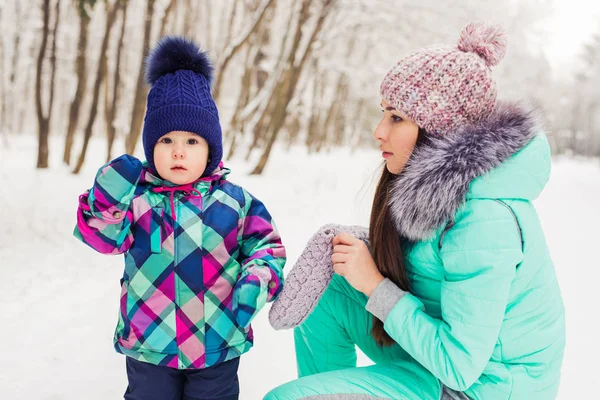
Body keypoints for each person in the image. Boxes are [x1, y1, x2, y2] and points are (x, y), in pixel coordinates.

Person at [265, 22, 564, 400]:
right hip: (439, 361)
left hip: (484, 388)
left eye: (396, 117)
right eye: (384, 113)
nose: (378, 131)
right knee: (332, 285)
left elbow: (459, 365)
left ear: (438, 130)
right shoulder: (430, 193)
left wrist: (374, 284)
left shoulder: (485, 221)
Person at [74, 36, 286, 400]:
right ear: (150, 147)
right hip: (150, 344)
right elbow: (104, 239)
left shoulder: (235, 203)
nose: (178, 151)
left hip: (217, 341)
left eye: (192, 142)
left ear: (210, 149)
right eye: (165, 140)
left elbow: (268, 247)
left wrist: (258, 278)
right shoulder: (137, 198)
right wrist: (106, 200)